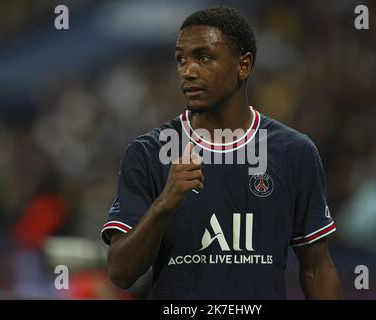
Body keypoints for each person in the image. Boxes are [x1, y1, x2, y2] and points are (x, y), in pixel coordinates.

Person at [101, 6, 341, 299]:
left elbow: (316, 269)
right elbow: (121, 273)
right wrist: (164, 203)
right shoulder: (148, 153)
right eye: (181, 60)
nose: (188, 71)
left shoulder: (293, 152)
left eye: (204, 58)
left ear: (244, 65)